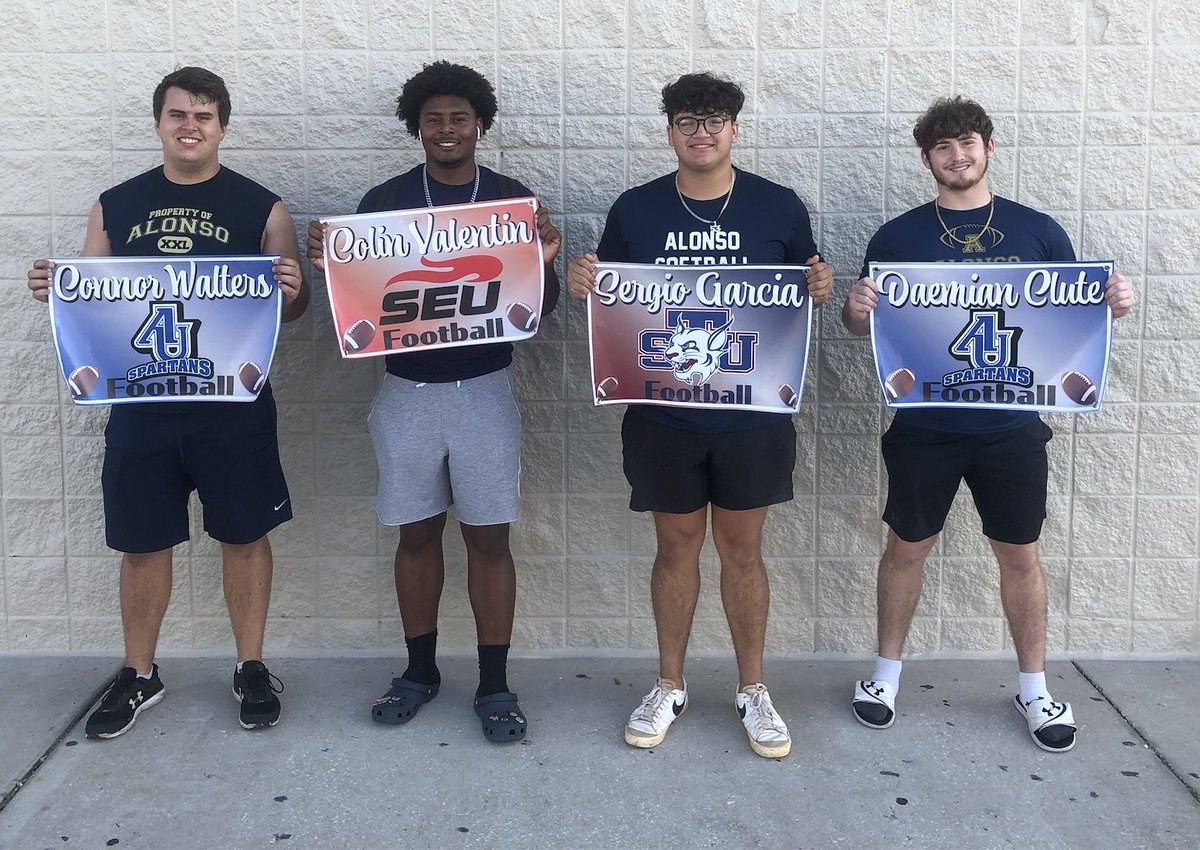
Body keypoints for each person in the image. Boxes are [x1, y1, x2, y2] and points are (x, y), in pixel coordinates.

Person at [841, 96, 1135, 753]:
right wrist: (858, 310)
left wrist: (1115, 305)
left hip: (1011, 426)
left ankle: (1034, 687)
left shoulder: (1038, 231)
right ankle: (884, 677)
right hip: (926, 424)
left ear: (989, 148)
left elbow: (1072, 315)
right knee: (906, 548)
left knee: (1020, 555)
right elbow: (863, 327)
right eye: (943, 148)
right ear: (927, 160)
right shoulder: (897, 237)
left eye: (967, 143)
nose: (957, 156)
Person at [26, 66, 309, 738]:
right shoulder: (115, 204)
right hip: (142, 408)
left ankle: (250, 667)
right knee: (142, 545)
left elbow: (291, 313)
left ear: (222, 127)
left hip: (231, 409)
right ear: (159, 123)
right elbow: (90, 293)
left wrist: (293, 287)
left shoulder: (261, 207)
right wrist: (57, 288)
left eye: (203, 116)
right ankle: (139, 674)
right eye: (178, 114)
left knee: (244, 537)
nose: (190, 126)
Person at [566, 72, 832, 759]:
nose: (702, 132)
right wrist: (586, 284)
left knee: (743, 553)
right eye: (688, 121)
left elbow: (805, 288)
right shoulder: (636, 208)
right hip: (666, 417)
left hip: (751, 418)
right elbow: (614, 300)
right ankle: (669, 683)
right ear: (670, 132)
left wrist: (821, 284)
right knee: (675, 548)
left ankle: (752, 691)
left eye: (715, 120)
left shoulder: (778, 206)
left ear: (735, 129)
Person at [307, 61, 560, 743]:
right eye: (433, 119)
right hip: (406, 389)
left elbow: (539, 313)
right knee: (415, 532)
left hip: (484, 387)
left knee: (489, 537)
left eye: (458, 117)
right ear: (416, 126)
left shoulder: (510, 199)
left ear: (480, 123)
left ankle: (494, 682)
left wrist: (546, 261)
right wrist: (332, 265)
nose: (446, 130)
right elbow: (355, 303)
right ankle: (420, 672)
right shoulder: (383, 203)